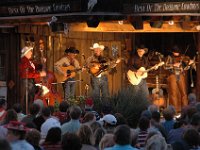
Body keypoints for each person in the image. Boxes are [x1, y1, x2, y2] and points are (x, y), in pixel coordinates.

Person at [165, 45, 193, 112]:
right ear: (172, 52)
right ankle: (174, 110)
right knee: (173, 93)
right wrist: (173, 65)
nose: (176, 53)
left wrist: (189, 64)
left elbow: (185, 68)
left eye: (177, 52)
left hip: (180, 75)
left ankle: (185, 109)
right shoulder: (169, 57)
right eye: (175, 52)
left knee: (184, 93)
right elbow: (165, 66)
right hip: (172, 75)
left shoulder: (182, 57)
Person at [19, 46, 46, 112]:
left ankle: (29, 112)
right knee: (28, 98)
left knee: (31, 98)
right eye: (30, 51)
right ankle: (27, 112)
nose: (31, 53)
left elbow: (35, 66)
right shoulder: (24, 61)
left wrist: (42, 61)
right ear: (26, 53)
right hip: (27, 81)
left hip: (30, 81)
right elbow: (26, 74)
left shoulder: (28, 61)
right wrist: (39, 74)